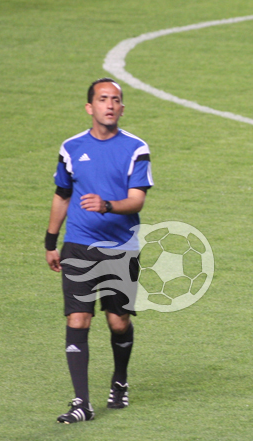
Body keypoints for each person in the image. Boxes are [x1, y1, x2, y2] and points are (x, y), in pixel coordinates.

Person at [45, 78, 153, 423]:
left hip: (120, 248)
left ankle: (119, 380)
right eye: (103, 99)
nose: (110, 105)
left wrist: (106, 205)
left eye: (116, 100)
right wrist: (51, 240)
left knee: (118, 322)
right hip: (78, 244)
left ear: (122, 108)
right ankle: (82, 403)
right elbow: (62, 194)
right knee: (78, 318)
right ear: (90, 107)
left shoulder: (136, 148)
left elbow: (137, 199)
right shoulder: (71, 148)